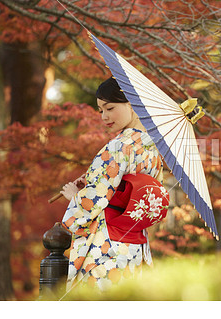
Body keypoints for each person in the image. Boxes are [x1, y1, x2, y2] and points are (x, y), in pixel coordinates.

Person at [60, 77, 168, 291]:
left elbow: (94, 199)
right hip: (136, 244)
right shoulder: (153, 149)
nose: (104, 116)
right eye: (101, 110)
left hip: (107, 242)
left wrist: (74, 195)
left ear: (133, 104)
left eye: (110, 108)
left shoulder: (119, 146)